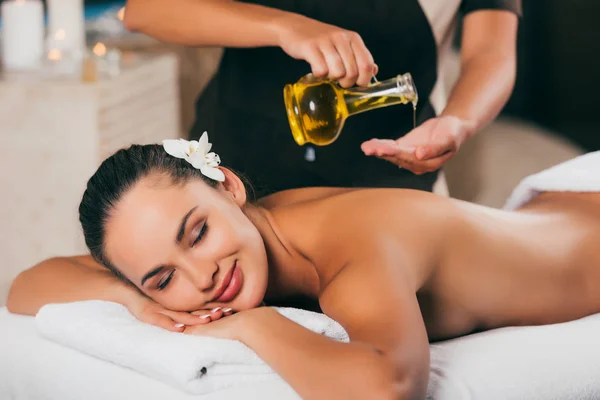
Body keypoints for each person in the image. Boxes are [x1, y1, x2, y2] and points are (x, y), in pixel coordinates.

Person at [8, 136, 600, 399]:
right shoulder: (248, 235)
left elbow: (387, 389)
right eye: (163, 276)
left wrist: (250, 326)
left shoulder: (353, 246)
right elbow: (27, 285)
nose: (202, 277)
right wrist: (142, 302)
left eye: (198, 233)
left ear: (230, 187)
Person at [122, 0, 521, 196]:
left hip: (387, 179)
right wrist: (285, 27)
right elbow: (146, 9)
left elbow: (492, 52)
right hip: (234, 174)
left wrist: (459, 121)